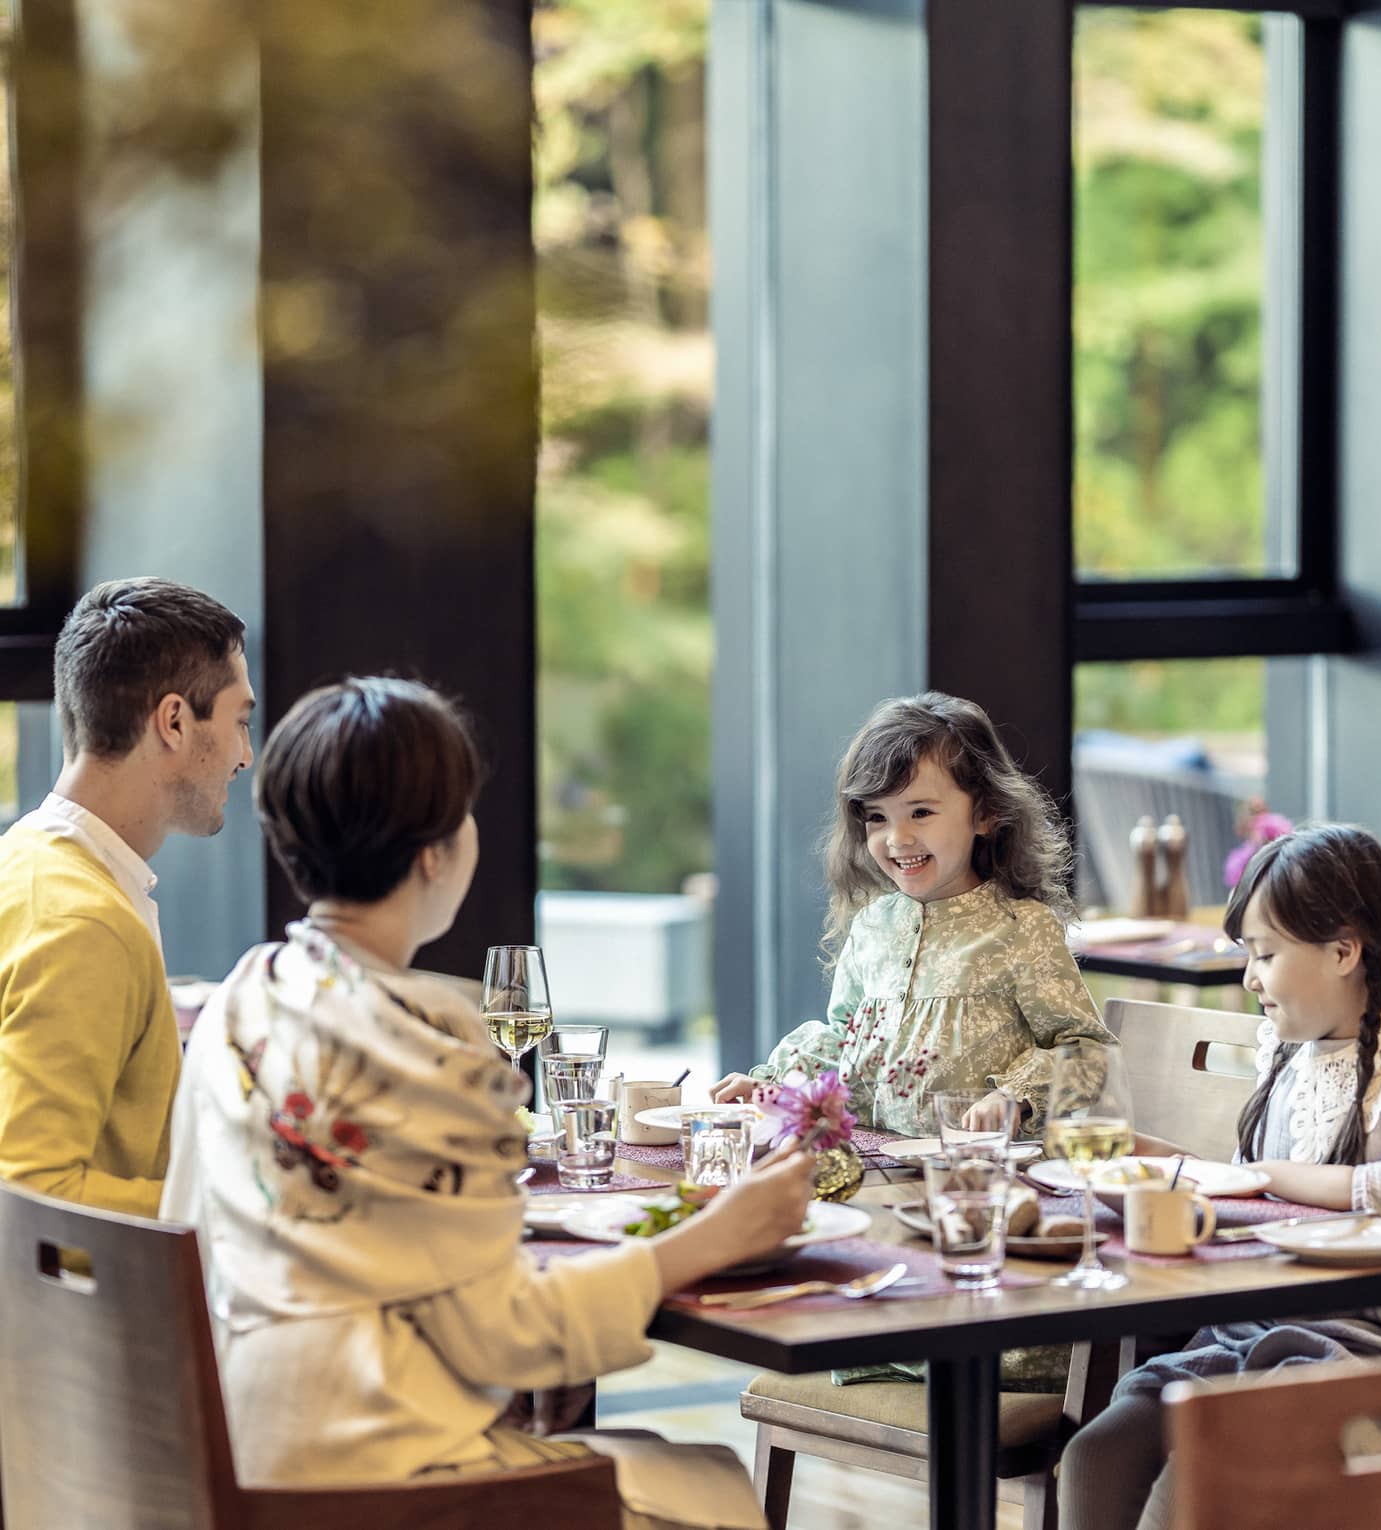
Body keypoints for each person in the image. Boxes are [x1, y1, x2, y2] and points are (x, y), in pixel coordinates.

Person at [161, 677, 811, 1530]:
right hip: (378, 1478)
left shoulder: (243, 997)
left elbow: (190, 1223)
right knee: (714, 1486)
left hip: (234, 1447)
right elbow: (506, 1334)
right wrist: (718, 1236)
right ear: (435, 854)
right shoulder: (424, 1045)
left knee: (660, 1460)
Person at [1058, 823, 1381, 1530]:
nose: (1249, 978)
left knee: (1193, 1480)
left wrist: (1267, 1175)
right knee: (1098, 1453)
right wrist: (1156, 1160)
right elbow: (1247, 1192)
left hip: (1379, 1351)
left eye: (1265, 954)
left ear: (1343, 951)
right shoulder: (1287, 1047)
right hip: (1255, 1332)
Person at [711, 690, 1111, 1137]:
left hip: (981, 1168)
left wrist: (1012, 1096)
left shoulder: (1021, 929)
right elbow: (844, 1041)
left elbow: (1089, 1053)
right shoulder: (872, 925)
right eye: (877, 817)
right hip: (878, 1164)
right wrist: (774, 1087)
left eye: (920, 812)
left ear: (986, 813)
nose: (897, 838)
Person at [0, 577, 253, 1214]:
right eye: (240, 722)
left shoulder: (24, 861)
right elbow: (31, 1194)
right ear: (174, 722)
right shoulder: (83, 924)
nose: (246, 755)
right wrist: (233, 1213)